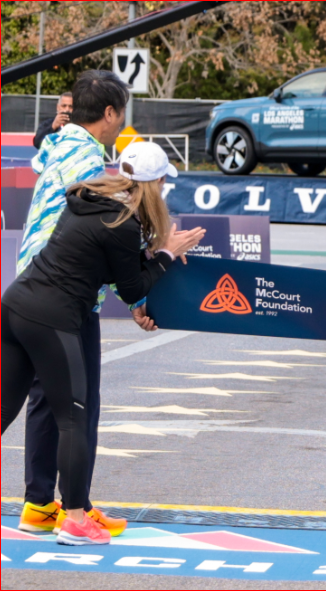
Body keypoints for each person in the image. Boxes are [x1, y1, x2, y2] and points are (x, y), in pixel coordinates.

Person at [2, 142, 206, 546]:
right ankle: (75, 520)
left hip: (16, 303)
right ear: (156, 183)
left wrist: (151, 252)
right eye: (163, 182)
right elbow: (132, 289)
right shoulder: (123, 222)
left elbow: (111, 262)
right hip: (53, 317)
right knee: (74, 417)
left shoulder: (92, 201)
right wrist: (165, 253)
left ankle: (56, 513)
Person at [14, 71, 156, 539]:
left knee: (41, 398)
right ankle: (74, 509)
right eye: (122, 115)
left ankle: (40, 504)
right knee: (79, 405)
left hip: (28, 283)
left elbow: (42, 152)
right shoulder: (89, 158)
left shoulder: (59, 142)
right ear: (111, 114)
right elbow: (102, 231)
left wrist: (47, 129)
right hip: (65, 290)